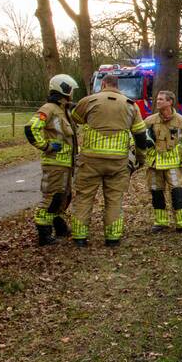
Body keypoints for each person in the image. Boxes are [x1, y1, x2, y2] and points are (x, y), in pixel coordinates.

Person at [70, 73, 152, 247]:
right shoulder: (131, 105)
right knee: (114, 199)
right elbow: (140, 135)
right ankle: (113, 238)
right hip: (117, 162)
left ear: (104, 84)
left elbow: (75, 119)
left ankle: (79, 237)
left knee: (84, 197)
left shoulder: (89, 100)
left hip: (90, 160)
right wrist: (140, 158)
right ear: (117, 86)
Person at [24, 74, 79, 246]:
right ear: (65, 89)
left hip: (66, 164)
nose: (73, 94)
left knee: (64, 197)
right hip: (55, 162)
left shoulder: (63, 109)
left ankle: (59, 226)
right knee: (52, 197)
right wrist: (46, 146)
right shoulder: (48, 109)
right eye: (71, 91)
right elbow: (31, 128)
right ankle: (44, 233)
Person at [145, 90, 182, 233]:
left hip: (173, 164)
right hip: (154, 164)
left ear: (170, 102)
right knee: (156, 193)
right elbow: (140, 140)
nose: (158, 101)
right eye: (158, 99)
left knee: (177, 193)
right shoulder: (149, 121)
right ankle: (161, 222)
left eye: (161, 99)